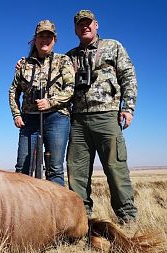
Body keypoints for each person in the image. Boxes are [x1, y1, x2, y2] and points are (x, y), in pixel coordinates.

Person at [66, 10, 138, 225]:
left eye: (88, 23)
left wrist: (129, 107)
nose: (85, 27)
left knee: (116, 169)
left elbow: (128, 76)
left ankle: (127, 218)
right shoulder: (70, 56)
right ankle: (81, 221)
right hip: (78, 120)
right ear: (76, 29)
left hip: (107, 116)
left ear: (96, 25)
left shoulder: (113, 46)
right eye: (80, 24)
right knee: (76, 173)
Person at [9, 20, 75, 186]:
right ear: (35, 39)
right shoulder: (24, 64)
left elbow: (70, 89)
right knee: (22, 169)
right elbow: (13, 91)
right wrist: (16, 114)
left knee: (55, 169)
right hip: (29, 120)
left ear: (54, 40)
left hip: (57, 118)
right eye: (41, 36)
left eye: (49, 36)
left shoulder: (63, 61)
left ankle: (57, 211)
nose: (45, 39)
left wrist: (50, 102)